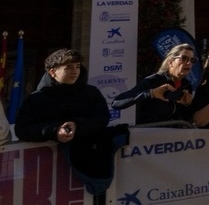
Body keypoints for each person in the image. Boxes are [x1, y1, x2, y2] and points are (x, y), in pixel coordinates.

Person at [15, 49, 126, 200]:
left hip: (90, 168)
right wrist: (54, 131)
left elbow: (101, 119)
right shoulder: (36, 99)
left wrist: (78, 126)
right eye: (69, 68)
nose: (75, 72)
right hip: (48, 179)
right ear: (52, 72)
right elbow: (22, 129)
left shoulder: (91, 93)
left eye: (78, 67)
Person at [111, 44, 196, 125]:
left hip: (175, 136)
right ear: (171, 62)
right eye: (184, 58)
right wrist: (151, 93)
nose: (189, 63)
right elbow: (117, 103)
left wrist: (188, 103)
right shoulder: (154, 80)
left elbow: (187, 116)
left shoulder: (187, 85)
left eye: (192, 60)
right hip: (150, 135)